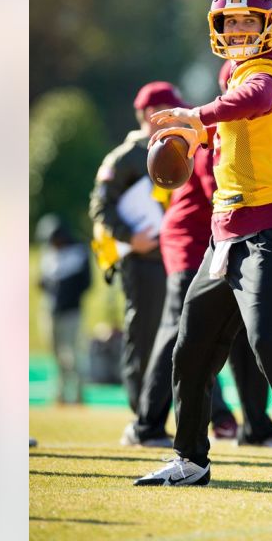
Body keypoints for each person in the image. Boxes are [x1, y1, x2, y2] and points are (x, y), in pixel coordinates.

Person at [134, 0, 272, 497]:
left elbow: (252, 101)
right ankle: (191, 459)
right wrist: (190, 135)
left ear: (268, 24)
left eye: (247, 20)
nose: (237, 28)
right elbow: (224, 125)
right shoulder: (232, 72)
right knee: (190, 349)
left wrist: (195, 115)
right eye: (230, 21)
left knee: (267, 344)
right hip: (225, 236)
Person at [124, 65, 272, 450]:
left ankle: (256, 426)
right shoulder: (219, 132)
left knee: (244, 332)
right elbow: (223, 188)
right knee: (179, 331)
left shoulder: (244, 129)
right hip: (192, 242)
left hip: (227, 241)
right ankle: (147, 425)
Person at [88, 82, 183, 415]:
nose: (176, 116)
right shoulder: (125, 157)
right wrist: (131, 237)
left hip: (176, 259)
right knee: (142, 338)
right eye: (168, 109)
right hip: (142, 261)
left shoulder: (180, 147)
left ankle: (175, 414)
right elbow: (101, 208)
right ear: (148, 113)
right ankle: (143, 417)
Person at [36, 214, 91, 405]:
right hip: (50, 311)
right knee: (56, 355)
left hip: (71, 312)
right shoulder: (49, 255)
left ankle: (77, 395)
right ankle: (60, 394)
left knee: (74, 355)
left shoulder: (78, 253)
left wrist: (68, 295)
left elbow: (86, 283)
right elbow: (41, 282)